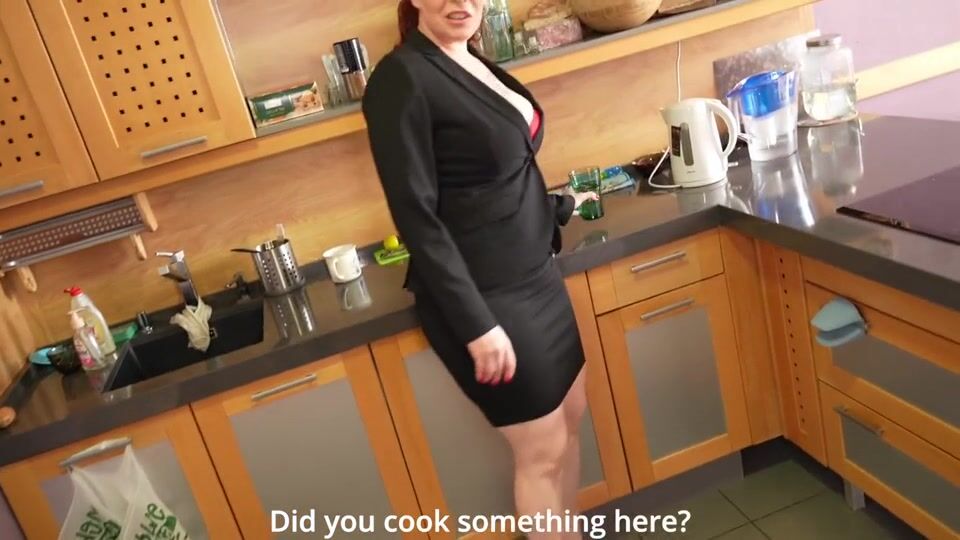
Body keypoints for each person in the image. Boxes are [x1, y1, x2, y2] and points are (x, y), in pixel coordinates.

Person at [362, 0, 598, 535]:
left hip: (537, 278)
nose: (459, 2)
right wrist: (476, 325)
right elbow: (416, 215)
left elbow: (495, 174)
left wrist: (555, 208)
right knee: (542, 454)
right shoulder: (401, 78)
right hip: (489, 298)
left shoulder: (470, 57)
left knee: (570, 424)